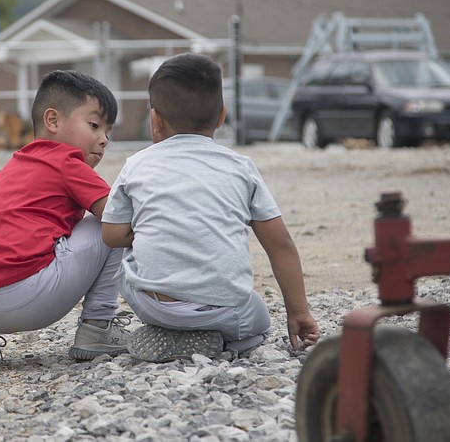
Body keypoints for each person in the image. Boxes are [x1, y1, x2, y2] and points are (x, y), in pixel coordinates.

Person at [101, 53, 321, 363]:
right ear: (222, 117)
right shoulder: (241, 168)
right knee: (258, 320)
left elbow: (110, 235)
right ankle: (227, 345)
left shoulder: (136, 165)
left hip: (154, 305)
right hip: (224, 311)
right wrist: (298, 311)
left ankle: (172, 334)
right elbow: (280, 245)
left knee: (128, 262)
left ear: (155, 121)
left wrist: (155, 228)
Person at [0, 70, 131, 368]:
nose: (103, 140)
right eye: (94, 126)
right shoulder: (67, 162)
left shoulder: (10, 169)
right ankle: (97, 328)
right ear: (53, 121)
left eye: (106, 132)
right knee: (108, 226)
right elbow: (118, 217)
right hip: (30, 300)